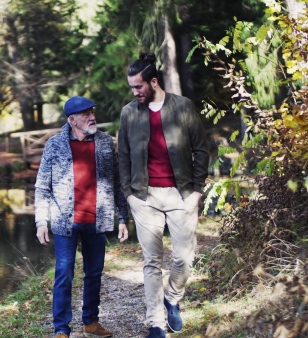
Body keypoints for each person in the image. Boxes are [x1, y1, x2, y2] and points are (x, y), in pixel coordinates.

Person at [117, 53, 209, 338]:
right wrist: (129, 194)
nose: (135, 93)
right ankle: (156, 322)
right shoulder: (129, 113)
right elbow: (123, 156)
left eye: (138, 87)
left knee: (184, 258)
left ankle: (172, 298)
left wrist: (196, 191)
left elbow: (201, 151)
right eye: (132, 87)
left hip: (181, 194)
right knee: (151, 261)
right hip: (144, 197)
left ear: (153, 81)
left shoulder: (183, 107)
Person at [34, 96, 130, 338]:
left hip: (97, 220)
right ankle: (61, 329)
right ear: (72, 119)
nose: (92, 117)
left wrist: (123, 218)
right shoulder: (55, 145)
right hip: (65, 222)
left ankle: (90, 322)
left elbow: (117, 183)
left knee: (94, 273)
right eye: (86, 114)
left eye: (92, 112)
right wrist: (40, 222)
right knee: (64, 272)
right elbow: (42, 186)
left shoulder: (106, 142)